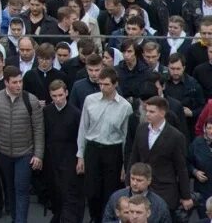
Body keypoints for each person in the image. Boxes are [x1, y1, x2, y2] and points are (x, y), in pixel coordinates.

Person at [0, 66, 45, 223]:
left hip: (25, 153)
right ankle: (16, 218)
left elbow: (39, 129)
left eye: (20, 81)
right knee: (10, 189)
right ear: (6, 83)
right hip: (3, 152)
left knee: (21, 189)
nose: (19, 85)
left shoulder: (30, 100)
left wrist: (38, 155)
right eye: (15, 82)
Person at [78, 67, 134, 223]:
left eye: (106, 84)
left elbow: (125, 138)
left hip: (113, 151)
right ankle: (95, 218)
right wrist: (80, 155)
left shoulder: (125, 107)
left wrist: (125, 164)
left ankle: (106, 219)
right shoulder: (90, 100)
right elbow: (83, 128)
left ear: (115, 84)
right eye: (100, 84)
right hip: (93, 149)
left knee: (110, 191)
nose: (102, 87)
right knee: (91, 190)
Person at [127, 96, 192, 216]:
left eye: (152, 111)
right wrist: (128, 183)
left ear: (162, 113)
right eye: (146, 110)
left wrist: (186, 196)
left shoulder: (176, 136)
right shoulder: (141, 129)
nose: (147, 114)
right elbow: (134, 157)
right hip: (141, 188)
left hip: (165, 190)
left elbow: (182, 168)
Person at [44, 79, 84, 223]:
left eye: (60, 95)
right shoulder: (47, 111)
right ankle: (58, 215)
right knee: (55, 190)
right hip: (52, 157)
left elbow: (80, 138)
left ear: (66, 93)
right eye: (54, 96)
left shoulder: (76, 113)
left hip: (70, 158)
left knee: (69, 192)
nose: (58, 99)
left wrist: (80, 159)